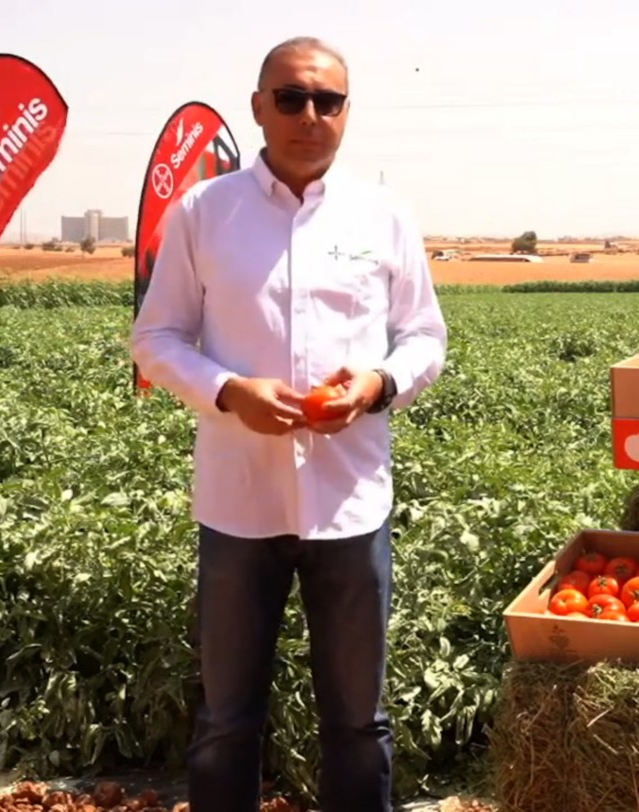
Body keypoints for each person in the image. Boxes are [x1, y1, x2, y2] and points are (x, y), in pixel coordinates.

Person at [130, 35, 447, 812]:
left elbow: (424, 337)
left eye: (327, 101)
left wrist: (376, 385)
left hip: (350, 501)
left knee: (358, 723)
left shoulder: (384, 215)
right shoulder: (204, 212)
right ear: (259, 108)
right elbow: (156, 337)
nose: (310, 115)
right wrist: (228, 390)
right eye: (292, 98)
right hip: (240, 503)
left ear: (346, 113)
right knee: (226, 722)